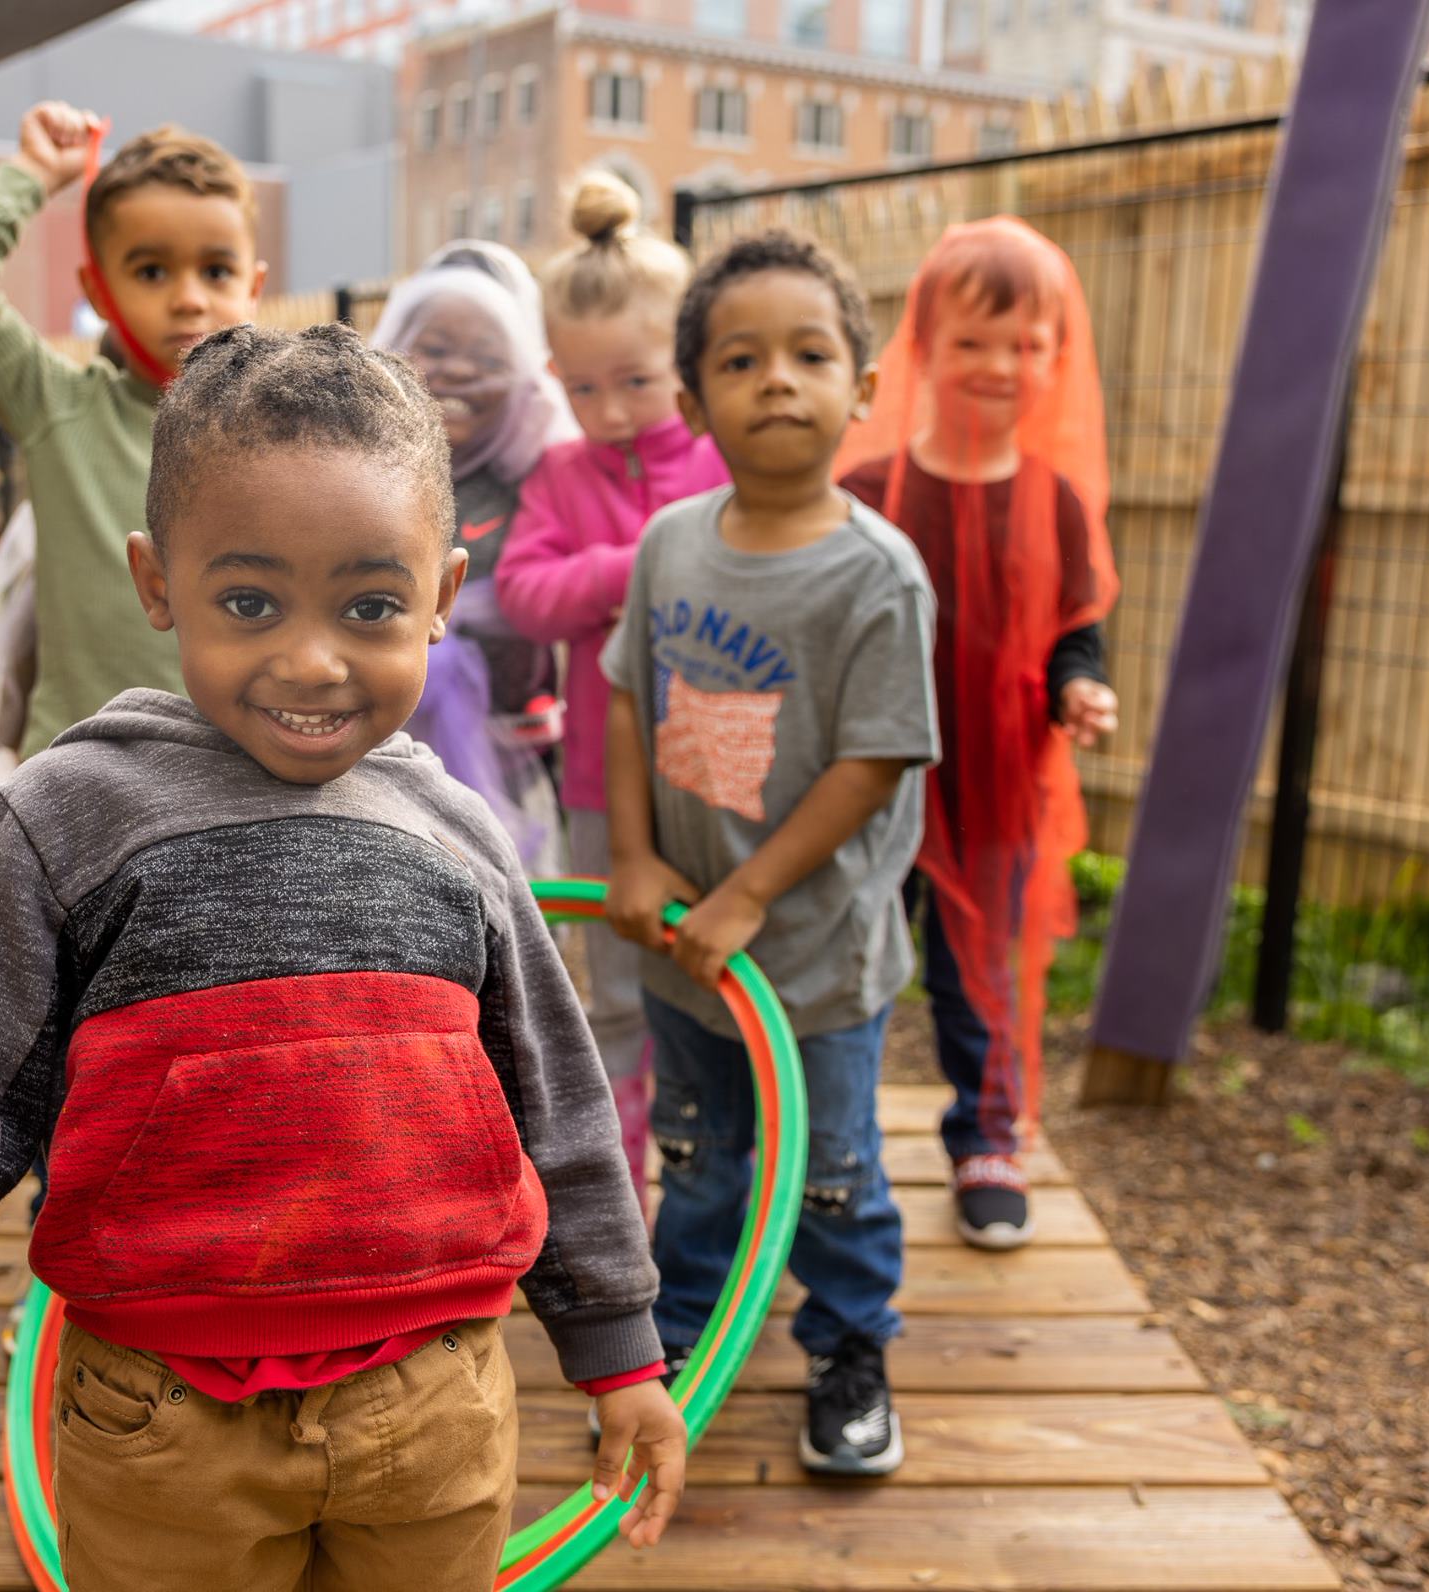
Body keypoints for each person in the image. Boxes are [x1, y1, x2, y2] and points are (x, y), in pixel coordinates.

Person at [0, 325, 685, 1592]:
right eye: (249, 601)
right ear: (155, 580)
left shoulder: (459, 834)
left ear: (445, 592)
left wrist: (618, 1346)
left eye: (369, 605)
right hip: (159, 1421)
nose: (310, 658)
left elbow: (555, 1103)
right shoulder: (62, 824)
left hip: (435, 1403)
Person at [602, 232, 937, 1479]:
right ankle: (681, 1342)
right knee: (694, 1159)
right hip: (684, 950)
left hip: (808, 960)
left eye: (810, 354)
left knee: (830, 1174)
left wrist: (746, 891)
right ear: (692, 402)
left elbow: (875, 760)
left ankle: (850, 1345)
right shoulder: (670, 545)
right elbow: (628, 697)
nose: (777, 380)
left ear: (860, 389)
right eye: (741, 360)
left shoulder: (876, 577)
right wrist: (633, 855)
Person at [835, 217, 1119, 1252]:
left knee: (979, 967)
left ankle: (986, 1132)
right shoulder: (863, 495)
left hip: (994, 785)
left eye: (1024, 343)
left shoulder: (1054, 501)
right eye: (971, 341)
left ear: (1054, 358)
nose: (999, 364)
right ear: (923, 348)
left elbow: (1074, 630)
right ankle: (836, 1134)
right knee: (853, 951)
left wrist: (1078, 689)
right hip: (868, 779)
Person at [495, 170, 728, 1190]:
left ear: (680, 363)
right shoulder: (558, 475)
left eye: (634, 381)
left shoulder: (721, 466)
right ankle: (624, 1181)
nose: (610, 410)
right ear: (554, 376)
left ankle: (722, 1161)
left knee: (717, 977)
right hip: (599, 778)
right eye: (582, 388)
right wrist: (637, 561)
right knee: (620, 986)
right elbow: (523, 594)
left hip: (723, 772)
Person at [0, 100, 265, 759]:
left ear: (254, 286)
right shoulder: (59, 407)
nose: (188, 297)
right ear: (97, 292)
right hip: (77, 778)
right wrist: (35, 172)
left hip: (234, 784)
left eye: (215, 270)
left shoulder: (286, 436)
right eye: (151, 270)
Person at [369, 245, 577, 872]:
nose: (458, 370)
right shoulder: (360, 481)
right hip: (374, 769)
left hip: (515, 782)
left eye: (489, 358)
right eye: (434, 348)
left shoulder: (545, 481)